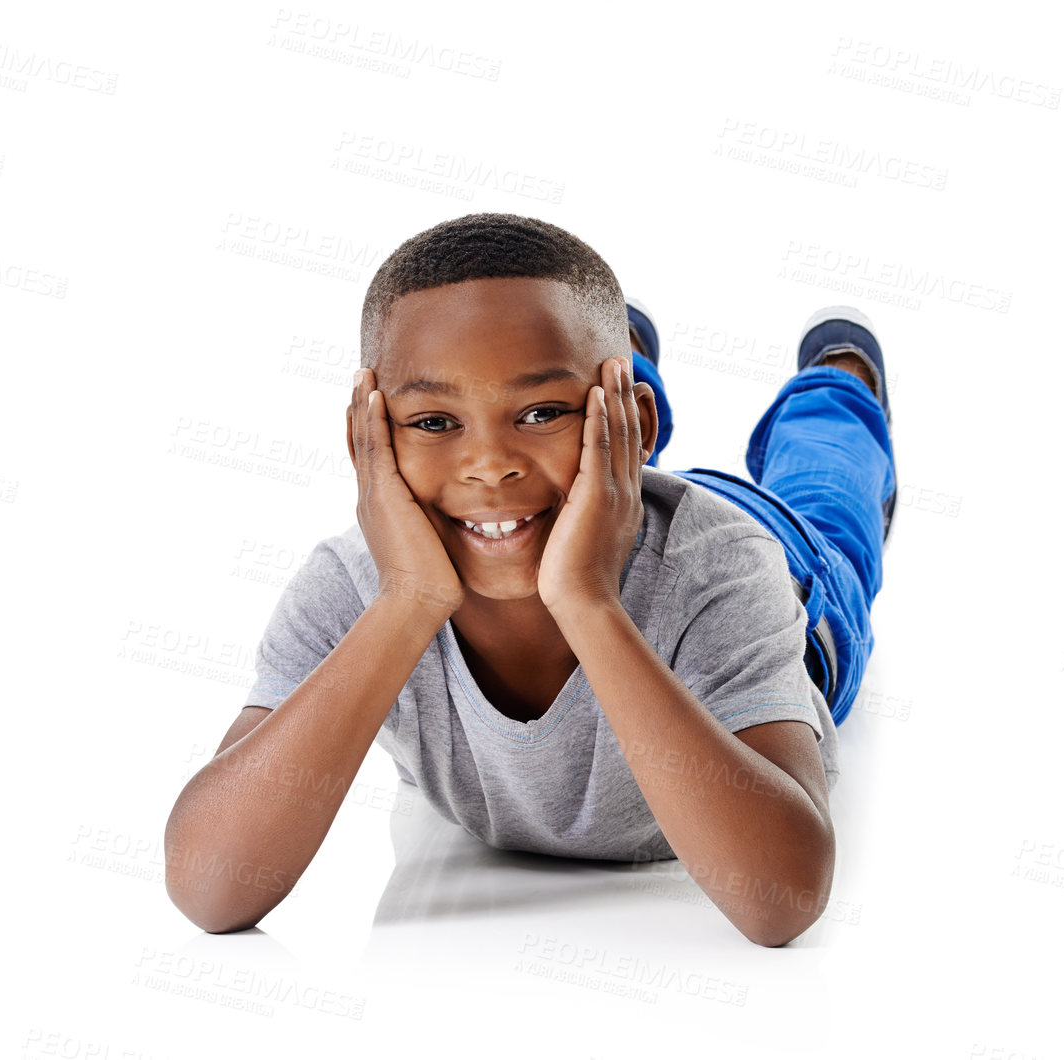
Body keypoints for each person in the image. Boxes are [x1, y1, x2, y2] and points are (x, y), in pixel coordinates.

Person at [163, 213, 897, 948]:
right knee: (569, 452)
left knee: (829, 491)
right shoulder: (353, 586)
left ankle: (835, 380)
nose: (488, 463)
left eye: (540, 411)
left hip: (785, 555)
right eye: (433, 421)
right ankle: (612, 363)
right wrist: (407, 603)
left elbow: (780, 902)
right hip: (576, 495)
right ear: (369, 433)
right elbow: (209, 888)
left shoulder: (722, 568)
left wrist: (587, 600)